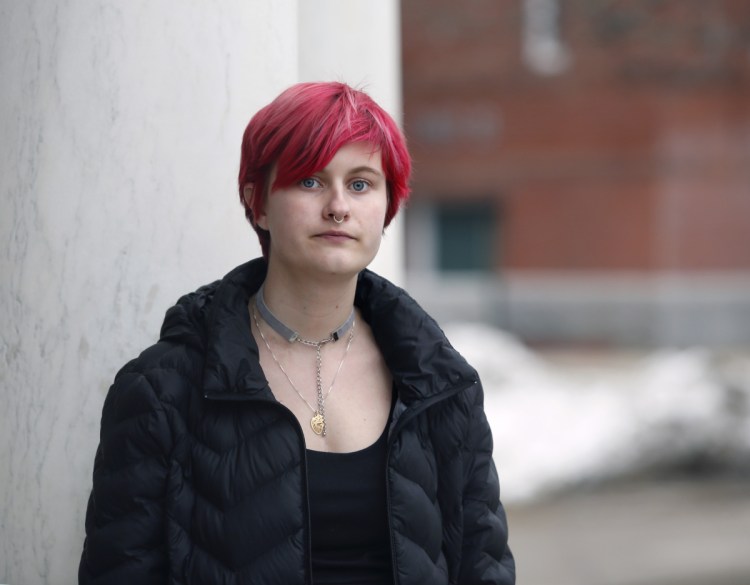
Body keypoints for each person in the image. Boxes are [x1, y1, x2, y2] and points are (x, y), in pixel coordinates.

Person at [79, 81, 515, 585]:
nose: (337, 206)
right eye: (309, 181)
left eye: (360, 184)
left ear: (388, 206)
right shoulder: (161, 391)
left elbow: (483, 567)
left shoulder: (441, 386)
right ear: (257, 203)